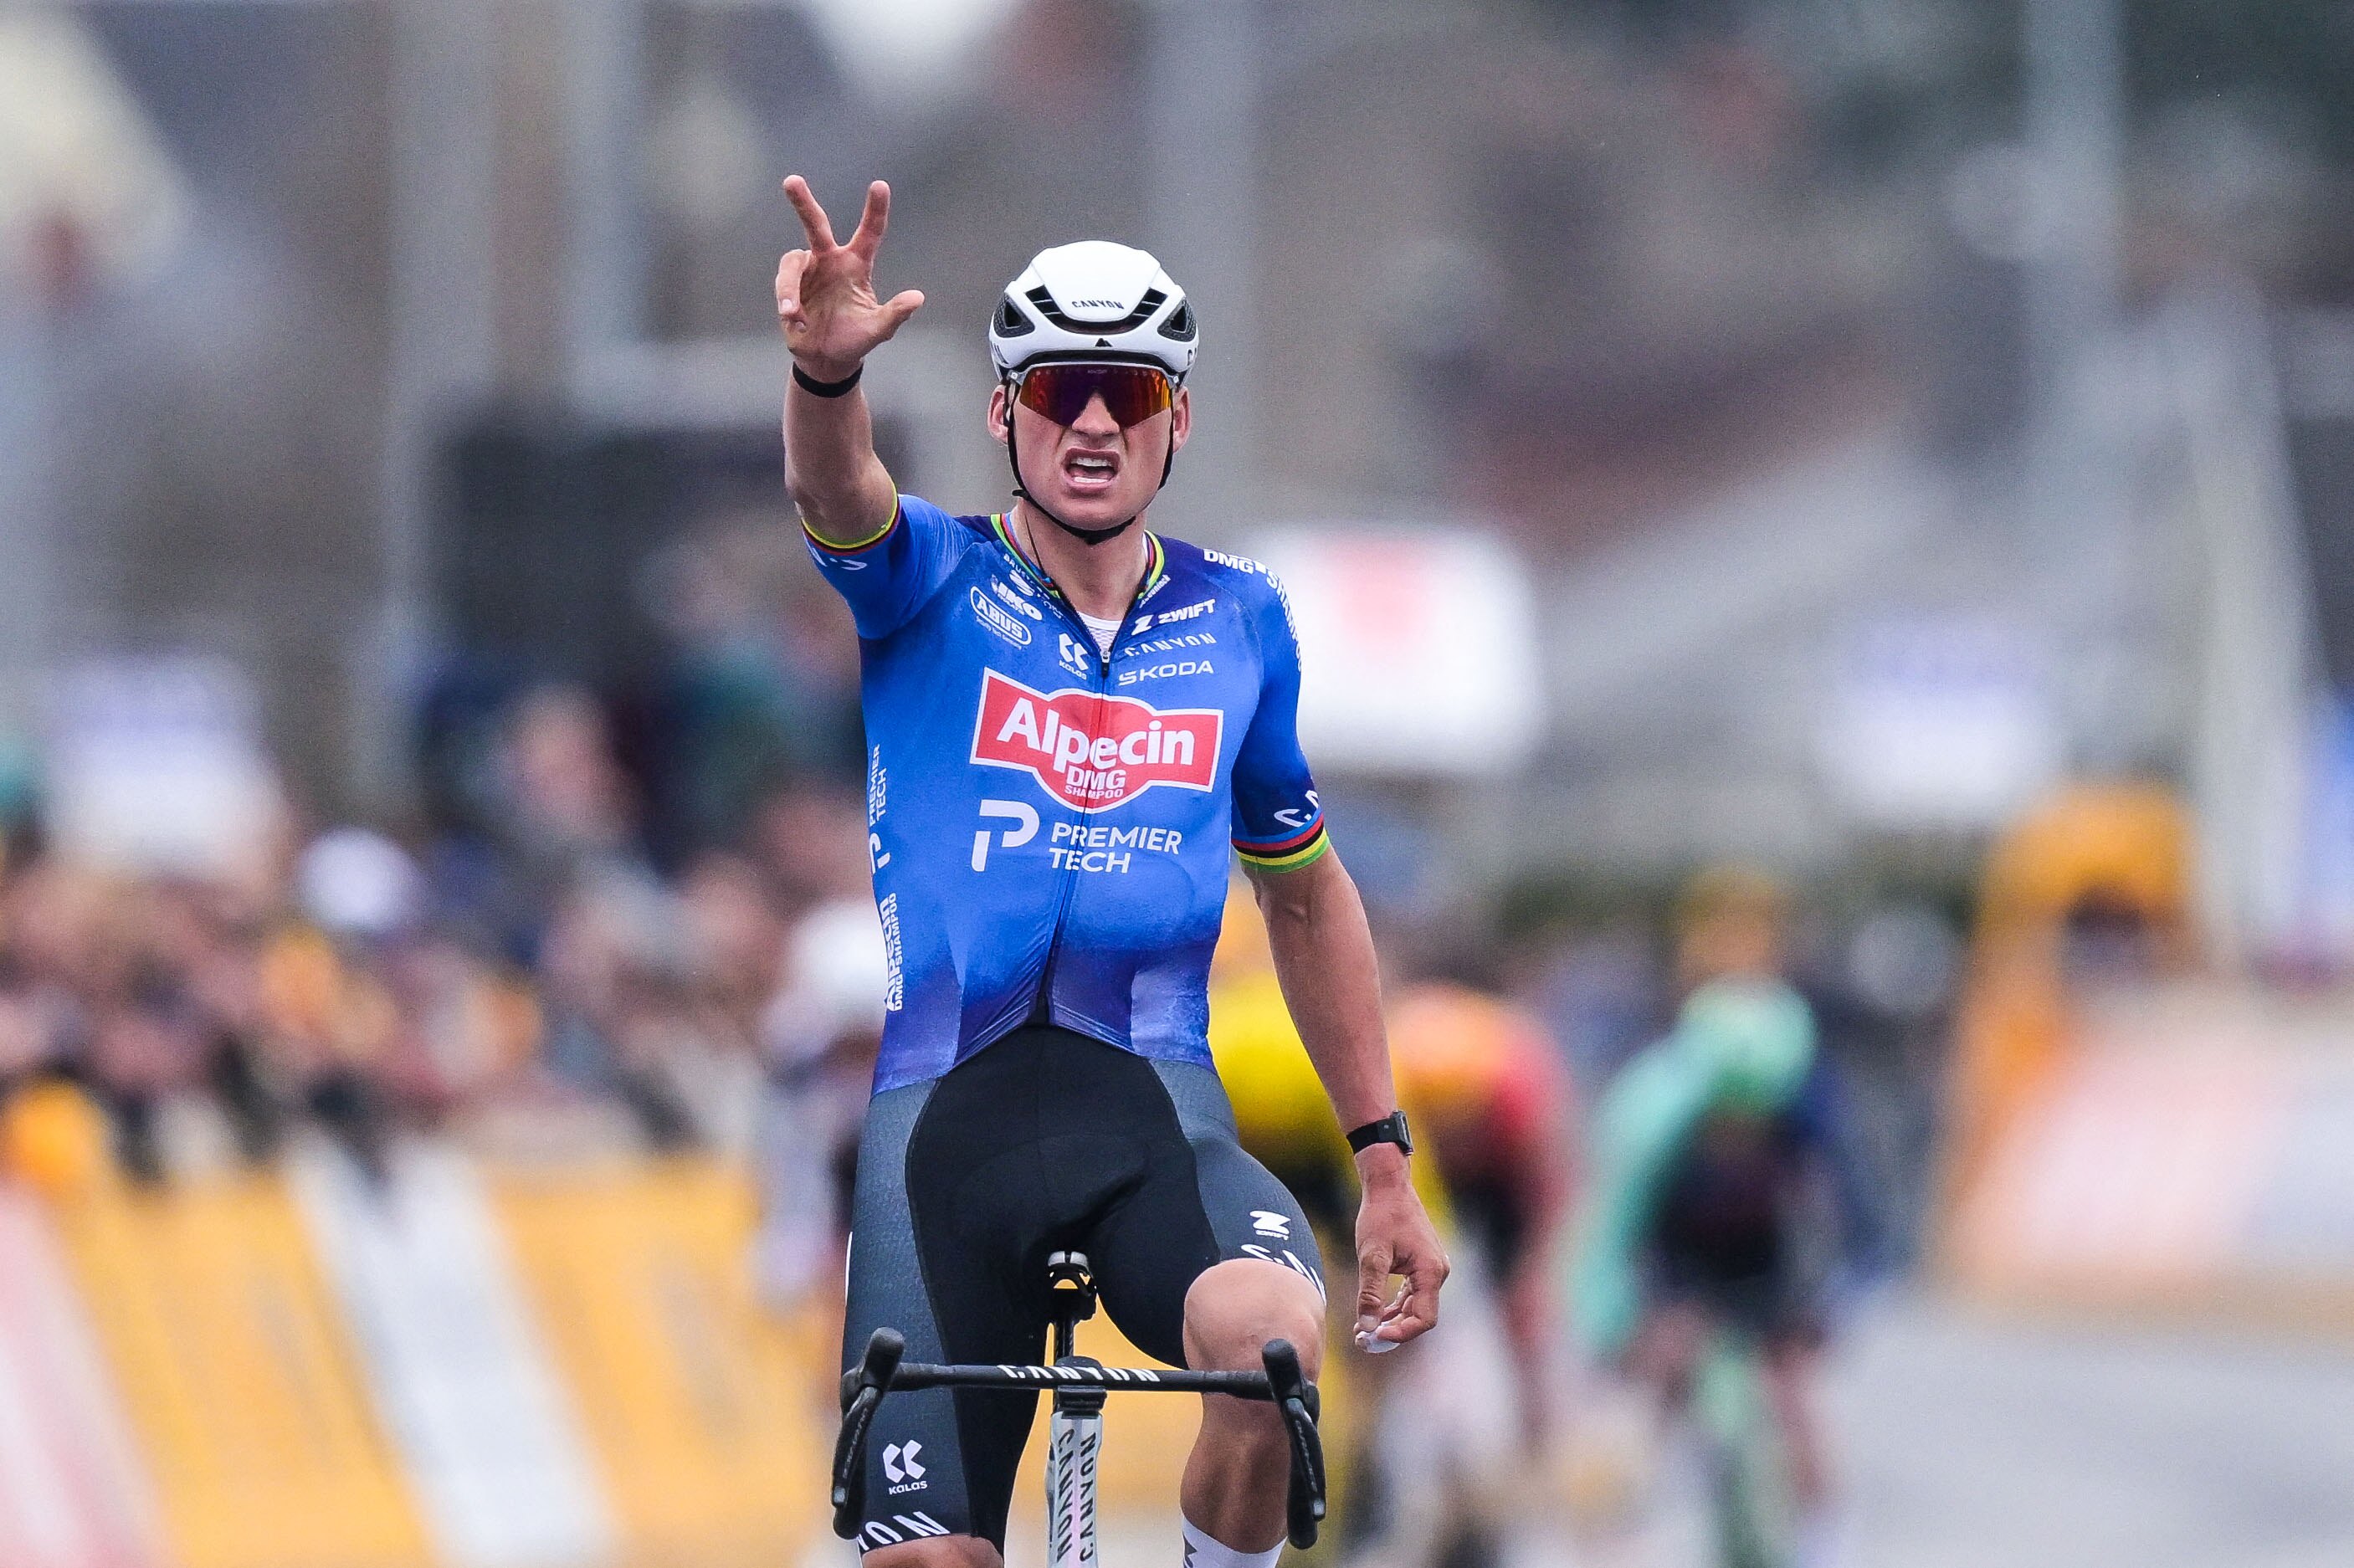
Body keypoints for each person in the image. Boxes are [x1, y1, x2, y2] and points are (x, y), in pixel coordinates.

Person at [773, 177, 1448, 1568]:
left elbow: (1308, 892)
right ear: (1001, 413)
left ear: (1176, 420)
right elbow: (836, 492)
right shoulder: (930, 583)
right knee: (924, 1559)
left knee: (1266, 1359)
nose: (1091, 422)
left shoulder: (1242, 619)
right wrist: (824, 375)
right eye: (1059, 389)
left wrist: (1381, 1157)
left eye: (1128, 396)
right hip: (941, 1132)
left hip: (1151, 1114)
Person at [1568, 979, 1843, 1527]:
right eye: (1725, 1116)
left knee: (1793, 1393)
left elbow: (1846, 1218)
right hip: (1683, 1256)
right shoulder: (1657, 1118)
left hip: (1766, 1258)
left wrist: (1824, 1304)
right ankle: (1613, 1529)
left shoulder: (1806, 1115)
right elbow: (1612, 1227)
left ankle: (1820, 1538)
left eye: (1754, 1118)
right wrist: (1610, 1323)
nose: (1738, 1130)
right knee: (1658, 1380)